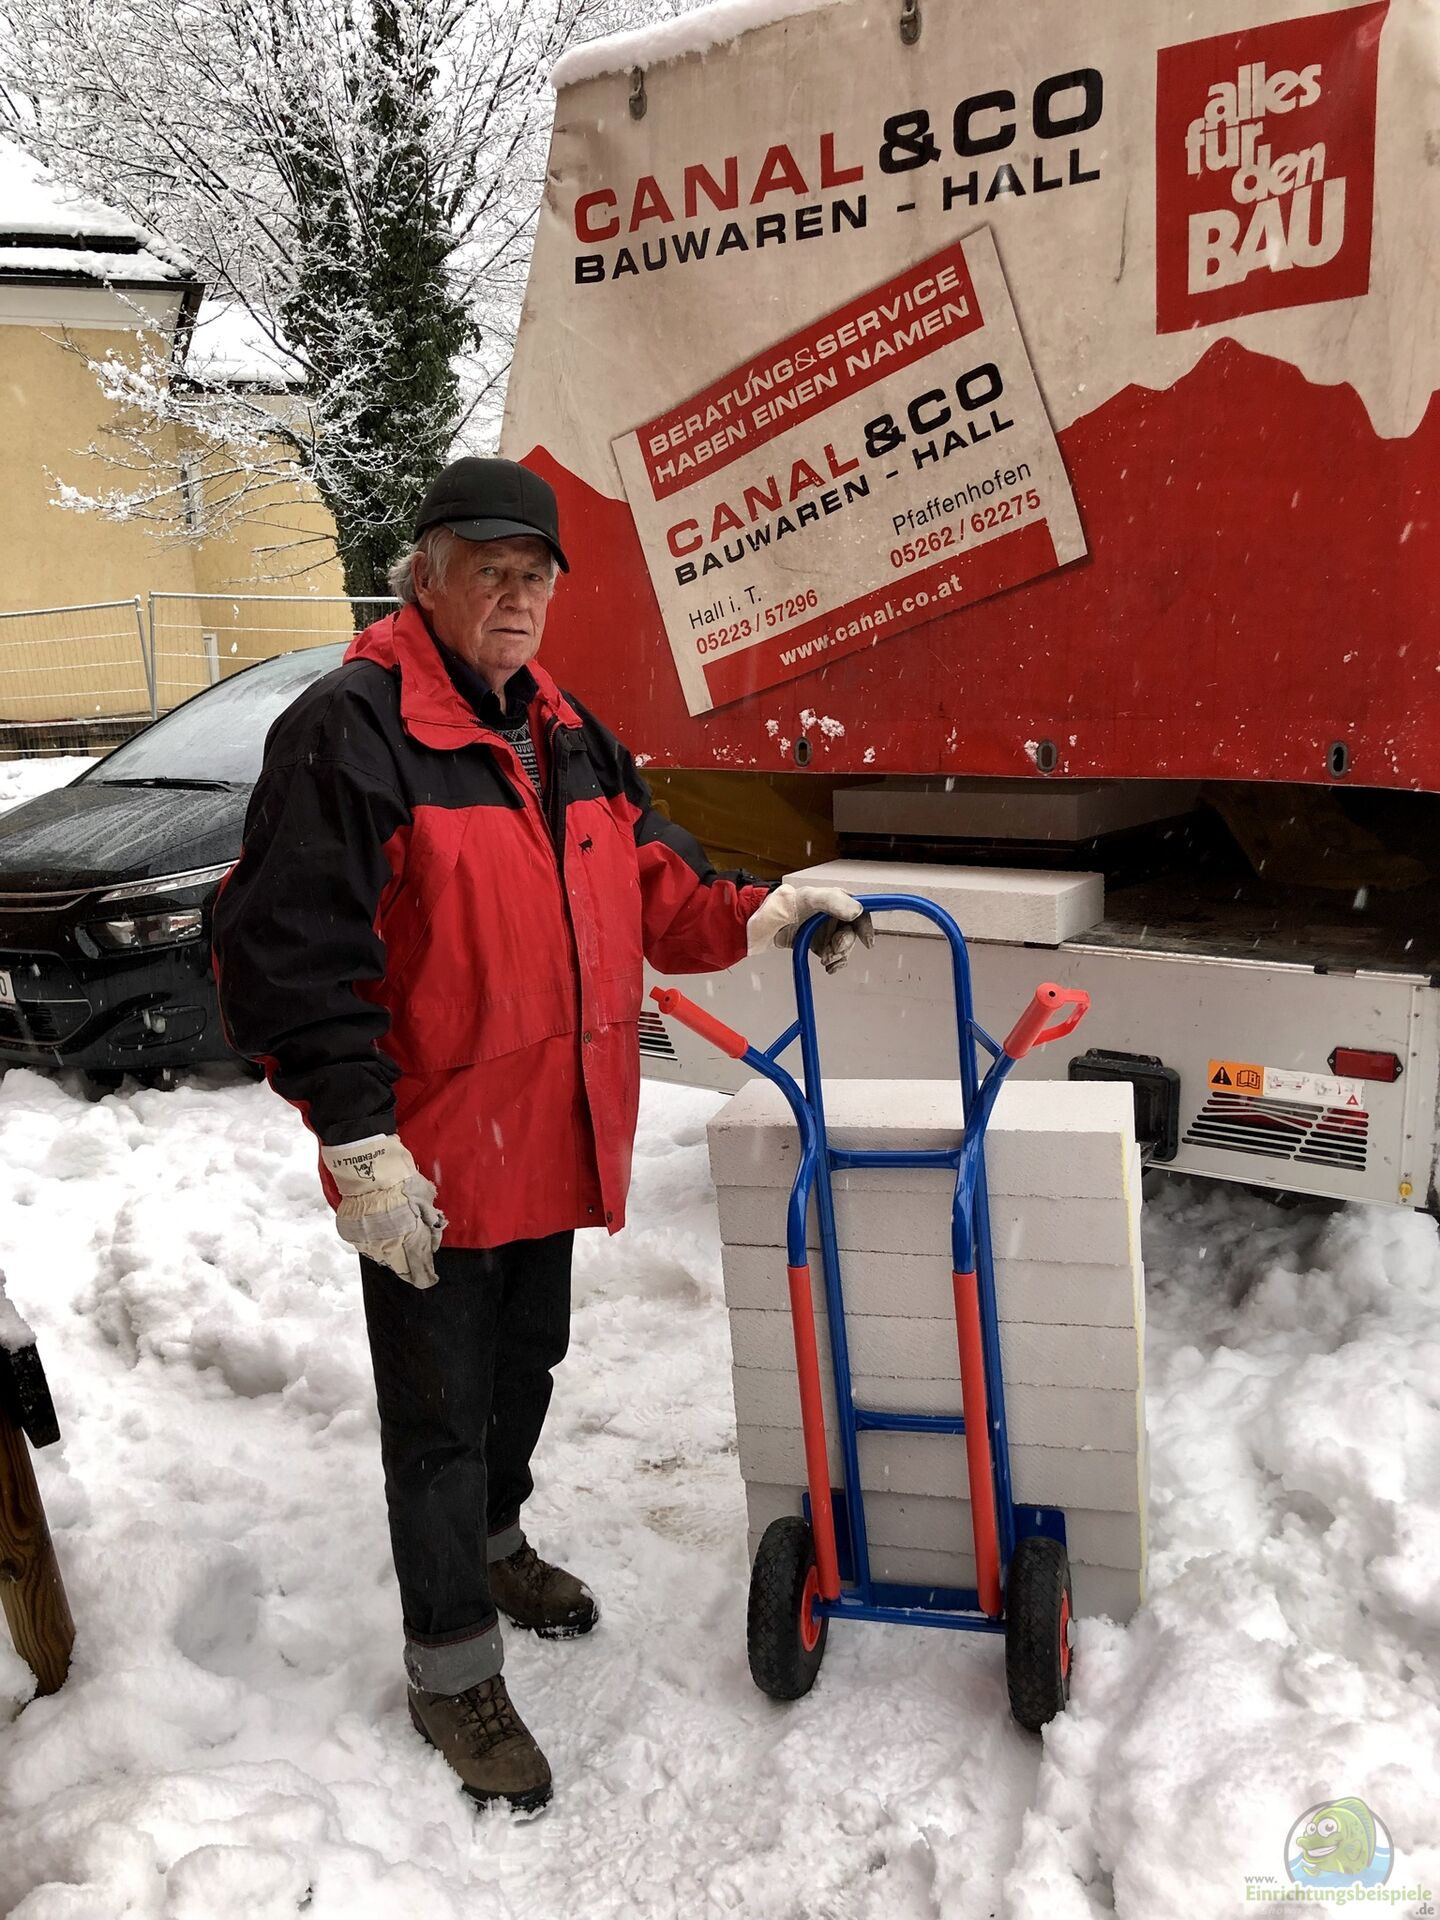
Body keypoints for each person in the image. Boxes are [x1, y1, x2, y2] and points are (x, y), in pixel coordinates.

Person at [211, 457, 870, 1813]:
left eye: (535, 576)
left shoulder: (565, 730)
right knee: (437, 1417)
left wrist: (760, 911)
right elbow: (288, 951)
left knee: (527, 1367)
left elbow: (648, 879)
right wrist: (358, 1140)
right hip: (431, 1159)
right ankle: (451, 1668)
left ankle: (495, 1542)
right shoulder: (352, 731)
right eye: (487, 572)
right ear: (427, 576)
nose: (514, 599)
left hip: (551, 1135)